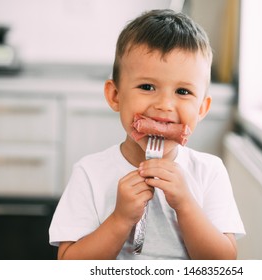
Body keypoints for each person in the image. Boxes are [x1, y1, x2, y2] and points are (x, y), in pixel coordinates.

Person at [49, 9, 245, 260]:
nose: (164, 105)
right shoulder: (90, 173)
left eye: (183, 92)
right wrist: (120, 219)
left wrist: (185, 205)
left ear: (202, 108)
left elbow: (223, 263)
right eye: (147, 87)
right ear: (115, 96)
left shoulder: (209, 172)